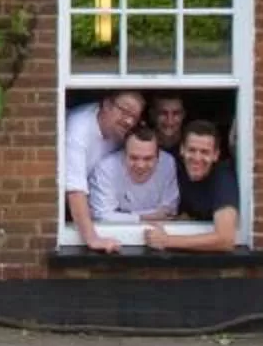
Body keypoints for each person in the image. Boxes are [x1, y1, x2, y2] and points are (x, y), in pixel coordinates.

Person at [60, 88, 150, 252]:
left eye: (134, 117)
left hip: (99, 206)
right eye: (125, 111)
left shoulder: (122, 131)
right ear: (106, 105)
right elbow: (74, 190)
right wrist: (92, 239)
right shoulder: (78, 129)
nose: (129, 121)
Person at [152, 118, 242, 252]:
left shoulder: (223, 178)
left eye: (205, 152)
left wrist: (167, 240)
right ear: (182, 150)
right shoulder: (171, 168)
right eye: (192, 150)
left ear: (216, 155)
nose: (197, 158)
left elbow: (226, 239)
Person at [87, 125, 183, 241]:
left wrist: (121, 215)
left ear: (158, 157)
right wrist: (142, 217)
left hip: (158, 235)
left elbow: (169, 211)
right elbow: (101, 216)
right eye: (134, 158)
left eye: (148, 159)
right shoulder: (106, 169)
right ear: (124, 154)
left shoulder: (167, 163)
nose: (140, 165)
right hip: (114, 237)